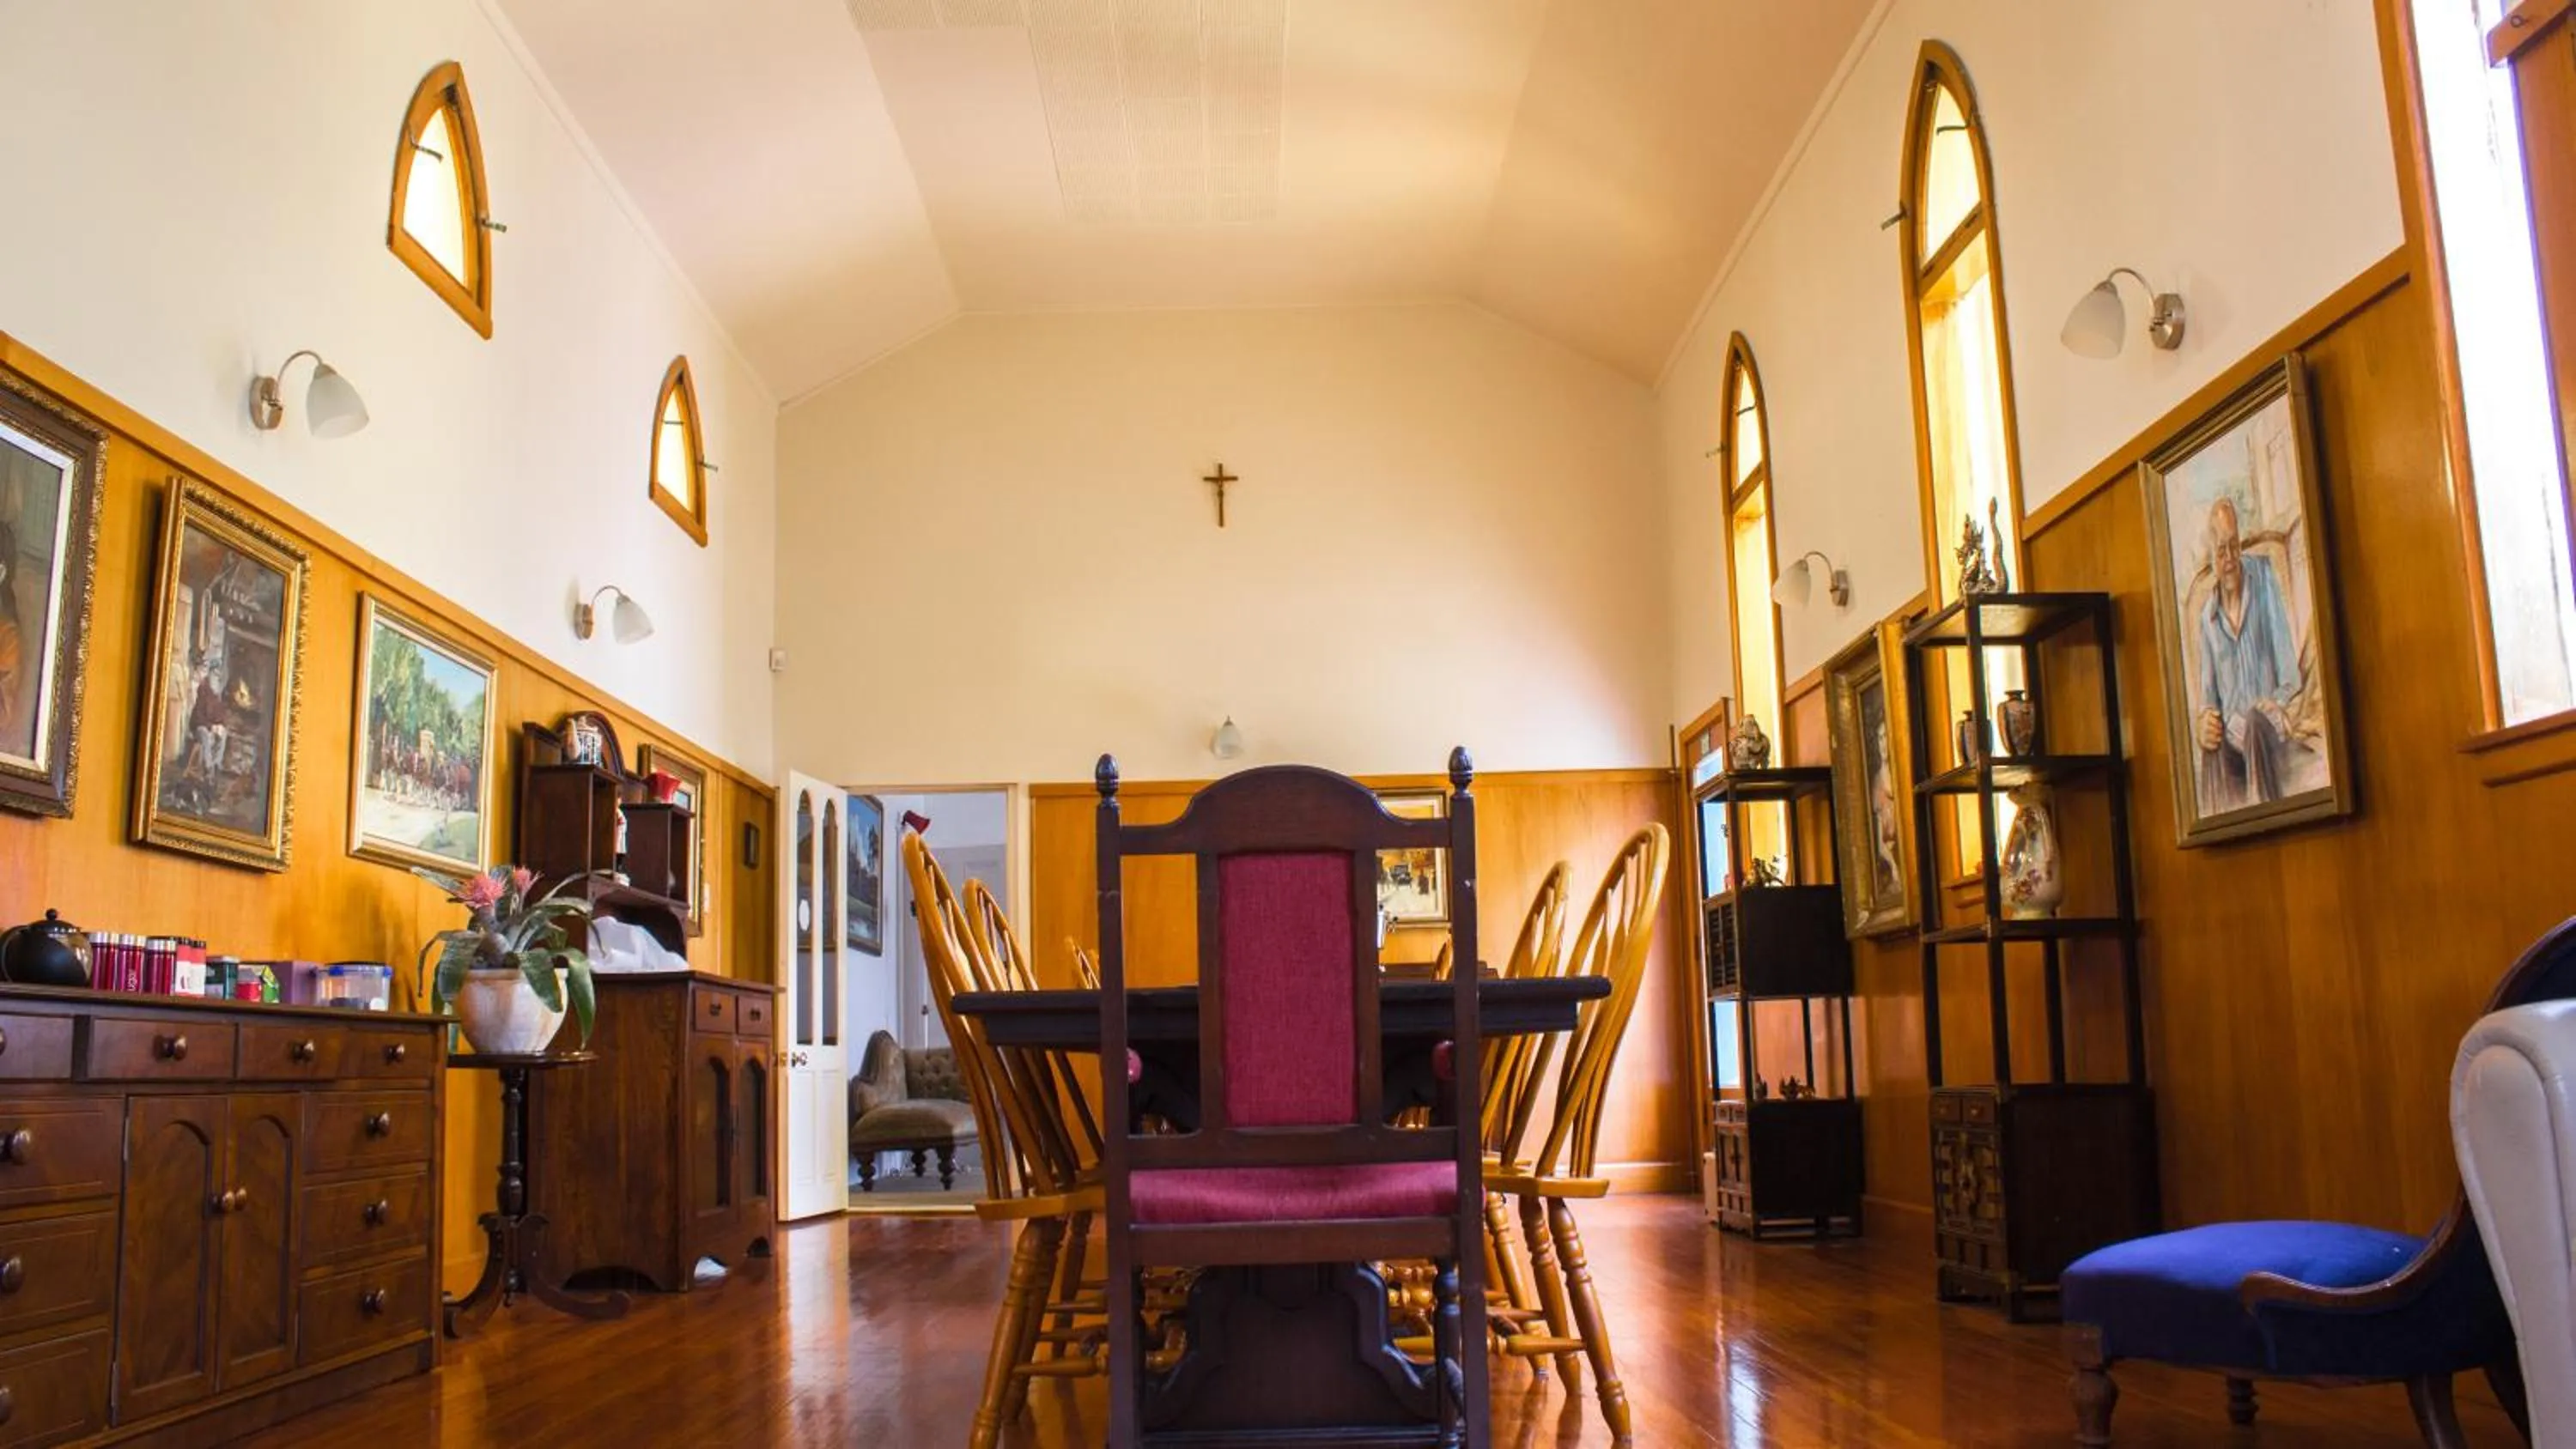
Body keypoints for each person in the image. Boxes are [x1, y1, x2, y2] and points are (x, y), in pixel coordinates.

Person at [2192, 497, 2301, 811]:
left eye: (2234, 545)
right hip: (2235, 743)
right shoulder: (2207, 619)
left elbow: (2290, 674)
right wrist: (2205, 724)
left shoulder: (2264, 578)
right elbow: (2208, 701)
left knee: (2254, 719)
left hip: (2268, 727)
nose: (2230, 559)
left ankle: (2267, 822)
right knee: (2211, 745)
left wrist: (2277, 703)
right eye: (2221, 551)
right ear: (2210, 559)